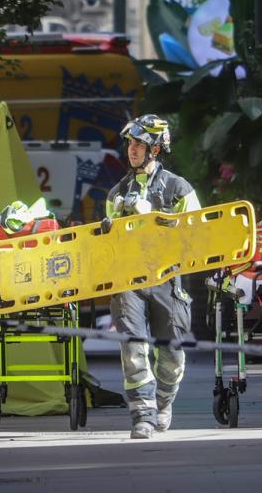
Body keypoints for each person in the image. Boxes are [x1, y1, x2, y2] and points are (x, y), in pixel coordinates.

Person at [106, 114, 201, 439]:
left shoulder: (179, 189)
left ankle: (162, 402)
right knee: (133, 347)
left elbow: (197, 237)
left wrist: (158, 218)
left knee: (172, 355)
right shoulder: (116, 193)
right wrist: (118, 221)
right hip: (129, 280)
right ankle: (142, 416)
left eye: (138, 144)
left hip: (167, 278)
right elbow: (109, 246)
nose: (131, 150)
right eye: (129, 144)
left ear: (155, 149)